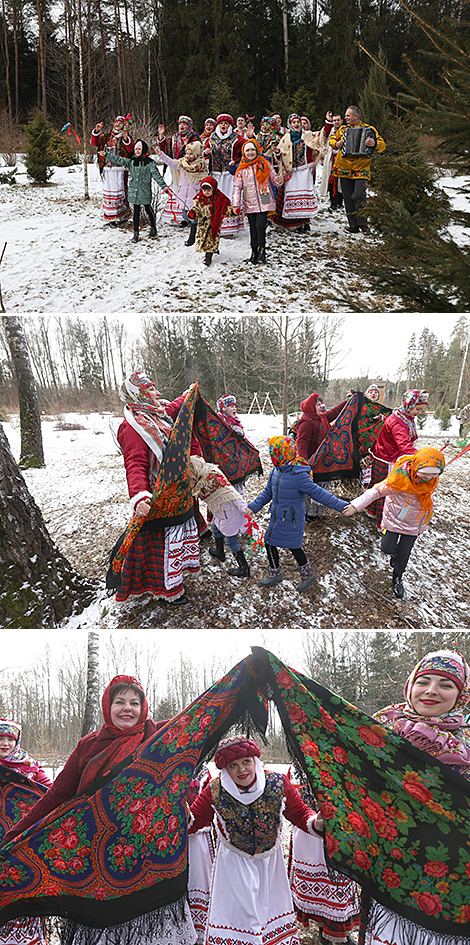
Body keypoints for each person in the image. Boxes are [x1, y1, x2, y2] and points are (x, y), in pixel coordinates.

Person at [3, 678, 197, 945]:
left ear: (144, 707)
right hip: (96, 863)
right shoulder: (89, 745)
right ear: (108, 705)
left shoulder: (158, 737)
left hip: (148, 861)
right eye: (119, 702)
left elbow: (197, 725)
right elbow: (57, 796)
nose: (127, 709)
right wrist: (13, 838)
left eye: (134, 703)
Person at [359, 649, 470, 945]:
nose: (431, 691)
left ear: (460, 695)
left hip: (454, 877)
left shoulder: (467, 742)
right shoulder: (379, 728)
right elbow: (352, 777)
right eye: (424, 681)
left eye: (445, 685)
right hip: (391, 869)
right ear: (410, 685)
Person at [188, 735, 319, 945]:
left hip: (270, 865)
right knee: (239, 921)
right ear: (225, 770)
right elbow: (194, 821)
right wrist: (178, 815)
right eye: (233, 765)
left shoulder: (277, 783)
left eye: (246, 762)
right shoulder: (214, 790)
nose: (242, 770)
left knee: (269, 920)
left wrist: (316, 823)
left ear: (255, 761)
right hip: (232, 865)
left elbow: (300, 814)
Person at [116, 370, 201, 605]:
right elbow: (135, 463)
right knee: (161, 542)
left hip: (177, 491)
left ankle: (177, 576)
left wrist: (188, 394)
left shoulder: (158, 414)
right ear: (139, 394)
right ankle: (168, 590)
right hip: (158, 496)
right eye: (151, 389)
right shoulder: (132, 427)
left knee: (177, 535)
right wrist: (139, 496)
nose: (158, 393)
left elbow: (174, 408)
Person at [248, 436, 349, 591]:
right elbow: (267, 493)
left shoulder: (299, 475)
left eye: (273, 453)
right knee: (269, 542)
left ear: (282, 453)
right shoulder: (276, 471)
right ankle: (275, 573)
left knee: (294, 546)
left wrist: (342, 506)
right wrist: (253, 507)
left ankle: (308, 575)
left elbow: (319, 494)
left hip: (292, 519)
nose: (271, 456)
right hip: (277, 517)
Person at [343, 447, 445, 598]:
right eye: (425, 473)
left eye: (434, 474)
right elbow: (376, 491)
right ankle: (394, 554)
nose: (428, 478)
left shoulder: (430, 483)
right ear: (416, 466)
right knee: (387, 548)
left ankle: (397, 577)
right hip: (394, 520)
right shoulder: (398, 479)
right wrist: (356, 505)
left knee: (404, 554)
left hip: (414, 525)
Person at [287, 766, 359, 945]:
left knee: (335, 896)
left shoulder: (340, 764)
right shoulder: (294, 771)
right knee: (318, 899)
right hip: (306, 837)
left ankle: (339, 937)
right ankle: (324, 935)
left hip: (337, 841)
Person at [0, 719, 52, 945]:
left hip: (22, 843)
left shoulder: (30, 766)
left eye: (9, 739)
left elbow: (49, 794)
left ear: (16, 741)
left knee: (23, 887)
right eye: (0, 739)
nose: (4, 744)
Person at [366, 389, 428, 527]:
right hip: (387, 458)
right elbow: (404, 445)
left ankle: (372, 512)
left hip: (390, 456)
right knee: (386, 490)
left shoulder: (405, 417)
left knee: (380, 487)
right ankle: (382, 522)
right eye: (418, 409)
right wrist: (424, 459)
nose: (419, 412)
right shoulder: (398, 421)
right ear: (409, 404)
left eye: (421, 409)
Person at [327, 105, 386, 233]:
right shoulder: (342, 129)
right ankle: (353, 225)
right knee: (347, 197)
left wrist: (374, 143)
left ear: (356, 116)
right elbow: (332, 140)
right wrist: (336, 144)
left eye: (348, 116)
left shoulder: (369, 129)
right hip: (344, 168)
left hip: (361, 168)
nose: (345, 118)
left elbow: (382, 145)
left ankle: (363, 223)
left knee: (358, 194)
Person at [190, 455, 250, 578]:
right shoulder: (202, 478)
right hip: (221, 512)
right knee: (216, 529)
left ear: (194, 469)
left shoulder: (211, 475)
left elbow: (230, 492)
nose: (189, 475)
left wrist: (245, 509)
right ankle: (219, 552)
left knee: (231, 541)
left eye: (190, 472)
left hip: (231, 513)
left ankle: (244, 568)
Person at [272, 113, 329, 232]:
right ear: (290, 125)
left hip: (305, 171)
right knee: (291, 197)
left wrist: (328, 122)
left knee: (305, 198)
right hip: (291, 172)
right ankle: (292, 223)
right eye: (294, 122)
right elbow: (280, 156)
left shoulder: (308, 135)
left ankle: (305, 222)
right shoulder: (285, 138)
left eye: (298, 122)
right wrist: (277, 152)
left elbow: (322, 136)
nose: (296, 124)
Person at [295, 392, 347, 520]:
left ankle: (317, 512)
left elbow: (333, 413)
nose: (321, 406)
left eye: (321, 404)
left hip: (323, 461)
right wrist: (303, 465)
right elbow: (302, 444)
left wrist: (347, 401)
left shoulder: (321, 418)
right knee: (312, 488)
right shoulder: (306, 422)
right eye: (318, 404)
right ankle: (308, 514)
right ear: (311, 406)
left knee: (321, 488)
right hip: (311, 463)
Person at [231, 139, 282, 264]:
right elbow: (237, 187)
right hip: (249, 202)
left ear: (257, 150)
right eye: (247, 150)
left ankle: (262, 249)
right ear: (244, 152)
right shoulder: (241, 168)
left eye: (252, 150)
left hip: (264, 199)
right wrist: (236, 203)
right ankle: (254, 251)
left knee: (260, 226)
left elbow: (274, 179)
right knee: (253, 228)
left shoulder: (265, 164)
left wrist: (279, 180)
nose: (250, 152)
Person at [104, 140, 166, 242]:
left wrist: (164, 187)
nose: (137, 151)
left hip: (144, 191)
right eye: (136, 149)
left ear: (144, 150)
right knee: (136, 212)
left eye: (139, 149)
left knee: (148, 209)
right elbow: (119, 159)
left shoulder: (150, 163)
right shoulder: (132, 162)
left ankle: (153, 228)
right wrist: (107, 155)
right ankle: (136, 233)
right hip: (134, 191)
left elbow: (157, 176)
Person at [154, 140, 208, 246]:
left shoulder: (201, 166)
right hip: (183, 194)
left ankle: (192, 237)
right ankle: (198, 227)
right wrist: (162, 155)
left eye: (191, 154)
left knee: (193, 217)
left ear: (196, 154)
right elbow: (171, 163)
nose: (188, 156)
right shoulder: (182, 164)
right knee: (185, 215)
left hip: (195, 196)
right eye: (187, 153)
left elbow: (205, 181)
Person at [90, 115, 134, 226]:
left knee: (122, 192)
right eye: (116, 122)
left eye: (120, 123)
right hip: (107, 168)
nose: (118, 124)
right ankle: (111, 217)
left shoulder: (125, 136)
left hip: (120, 168)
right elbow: (95, 142)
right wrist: (97, 131)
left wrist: (125, 138)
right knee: (109, 192)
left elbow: (130, 149)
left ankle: (123, 216)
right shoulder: (106, 136)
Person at [206, 115, 245, 237]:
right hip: (215, 174)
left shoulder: (236, 138)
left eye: (226, 123)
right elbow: (205, 152)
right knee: (215, 201)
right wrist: (205, 153)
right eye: (221, 123)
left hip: (229, 175)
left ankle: (229, 228)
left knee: (229, 200)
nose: (223, 126)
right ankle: (216, 226)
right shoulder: (212, 138)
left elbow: (248, 150)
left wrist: (237, 162)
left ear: (230, 126)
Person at [187, 176, 239, 266]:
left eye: (209, 190)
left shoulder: (219, 197)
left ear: (213, 188)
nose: (206, 192)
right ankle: (213, 249)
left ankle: (208, 257)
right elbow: (196, 209)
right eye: (204, 190)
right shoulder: (200, 198)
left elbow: (225, 208)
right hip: (203, 224)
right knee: (203, 239)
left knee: (211, 240)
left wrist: (233, 211)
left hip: (214, 223)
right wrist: (193, 213)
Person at [319, 112, 344, 212]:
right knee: (331, 181)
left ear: (342, 121)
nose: (336, 122)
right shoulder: (330, 131)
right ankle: (333, 203)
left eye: (338, 120)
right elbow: (325, 134)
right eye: (334, 120)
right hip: (331, 160)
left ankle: (340, 203)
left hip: (342, 159)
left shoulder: (345, 130)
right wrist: (328, 120)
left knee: (341, 181)